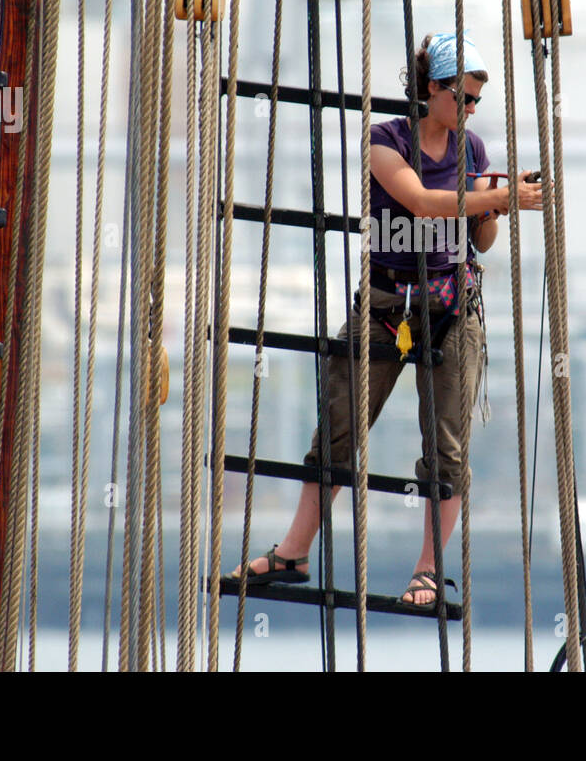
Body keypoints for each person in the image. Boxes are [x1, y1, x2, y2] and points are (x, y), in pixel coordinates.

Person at [229, 31, 545, 607]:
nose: (470, 109)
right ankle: (294, 552)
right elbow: (421, 200)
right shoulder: (384, 140)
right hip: (384, 305)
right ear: (433, 88)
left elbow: (484, 241)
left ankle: (429, 568)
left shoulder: (471, 149)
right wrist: (495, 199)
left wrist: (494, 203)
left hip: (452, 309)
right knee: (338, 429)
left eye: (476, 101)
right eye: (464, 96)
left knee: (448, 449)